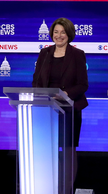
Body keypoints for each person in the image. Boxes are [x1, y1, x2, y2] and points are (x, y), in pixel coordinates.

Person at [32, 17, 89, 147]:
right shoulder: (44, 53)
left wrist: (65, 93)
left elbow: (83, 84)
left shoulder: (77, 54)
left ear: (69, 34)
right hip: (46, 108)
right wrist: (41, 95)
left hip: (69, 109)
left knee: (68, 149)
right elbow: (36, 81)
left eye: (63, 32)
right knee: (46, 146)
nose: (59, 36)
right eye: (56, 32)